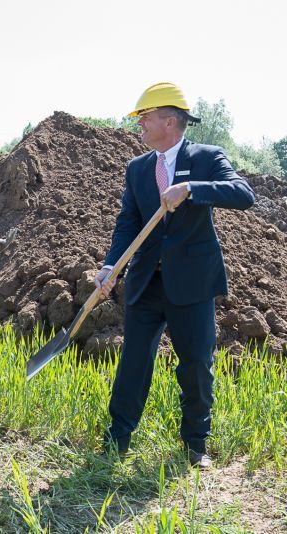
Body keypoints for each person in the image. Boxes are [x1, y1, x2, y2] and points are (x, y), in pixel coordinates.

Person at [95, 82, 255, 468]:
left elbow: (243, 194)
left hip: (192, 283)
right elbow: (128, 223)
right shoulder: (138, 169)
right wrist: (111, 265)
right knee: (133, 362)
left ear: (169, 121)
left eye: (144, 118)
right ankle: (117, 439)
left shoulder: (206, 158)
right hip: (146, 282)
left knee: (196, 363)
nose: (139, 125)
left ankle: (195, 444)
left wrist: (190, 189)